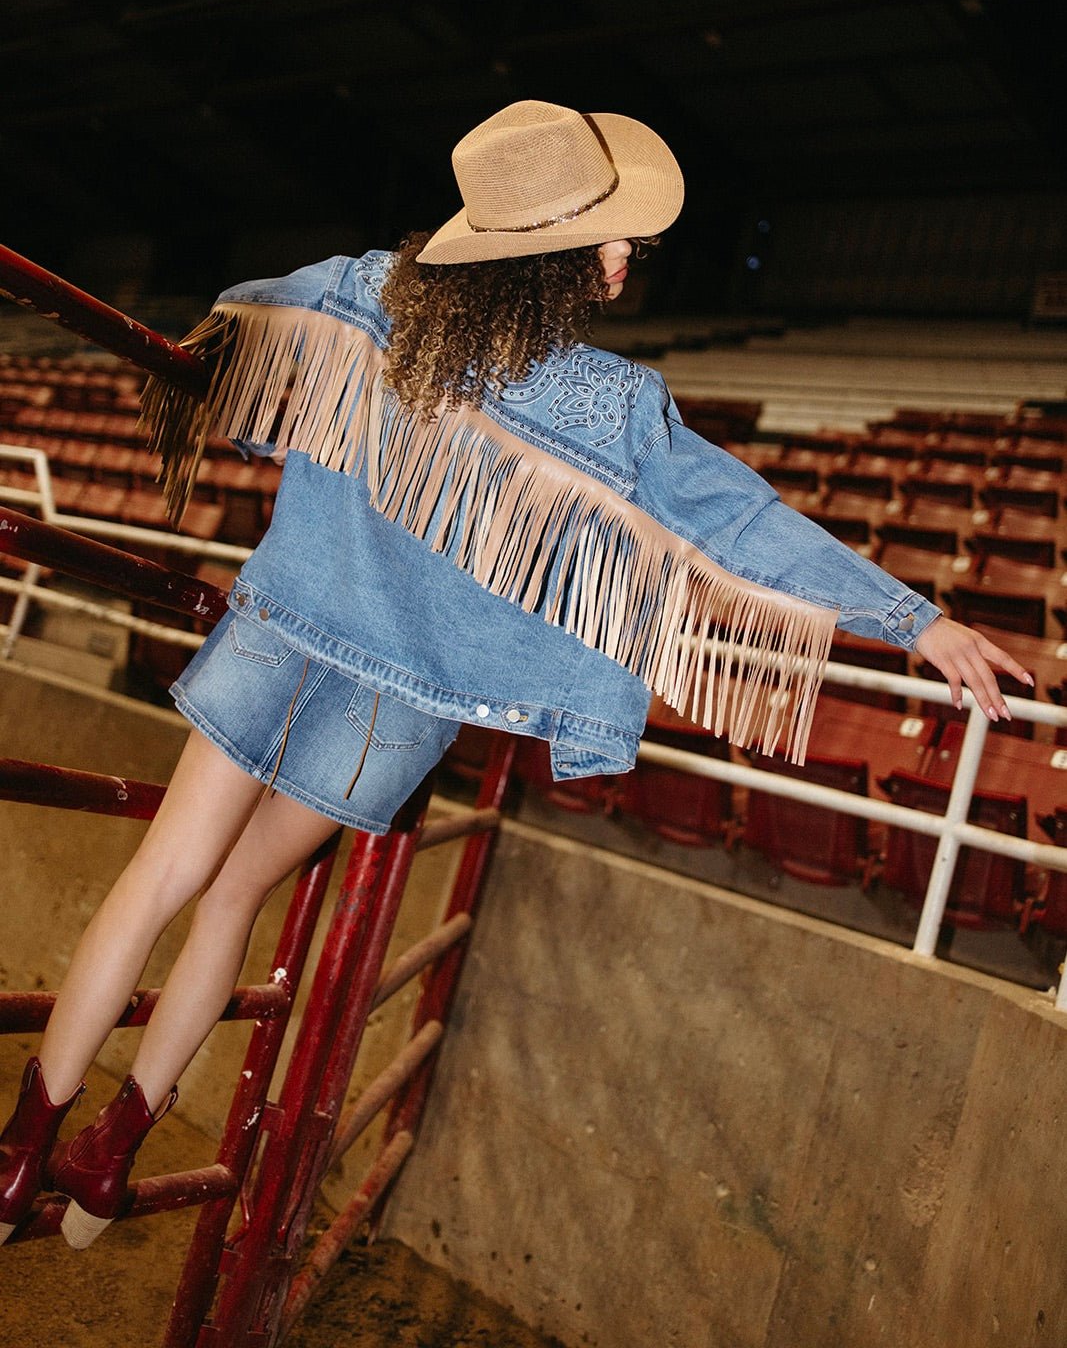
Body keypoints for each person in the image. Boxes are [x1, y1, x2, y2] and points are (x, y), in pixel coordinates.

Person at [0, 99, 1028, 1251]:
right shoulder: (611, 403)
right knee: (235, 896)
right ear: (552, 254)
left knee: (158, 877)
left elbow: (235, 329)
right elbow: (740, 518)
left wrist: (275, 435)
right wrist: (911, 619)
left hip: (279, 629)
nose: (625, 257)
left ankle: (19, 1150)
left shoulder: (357, 289)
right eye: (610, 239)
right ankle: (111, 1153)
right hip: (401, 705)